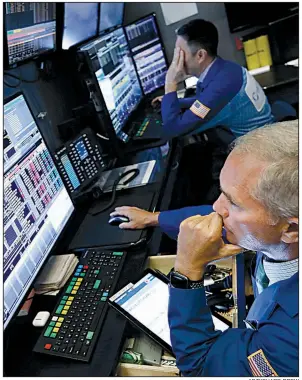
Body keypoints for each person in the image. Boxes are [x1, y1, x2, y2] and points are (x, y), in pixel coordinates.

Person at [111, 120, 298, 376]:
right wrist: (154, 218)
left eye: (232, 203)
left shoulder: (290, 341)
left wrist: (187, 270)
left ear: (291, 230)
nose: (216, 208)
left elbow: (201, 366)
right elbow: (218, 215)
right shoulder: (276, 224)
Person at [152, 19, 275, 140]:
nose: (176, 60)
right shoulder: (225, 68)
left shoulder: (220, 89)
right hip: (264, 133)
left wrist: (170, 83)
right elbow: (203, 101)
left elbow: (173, 129)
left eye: (180, 54)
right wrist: (176, 102)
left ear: (200, 55)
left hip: (257, 151)